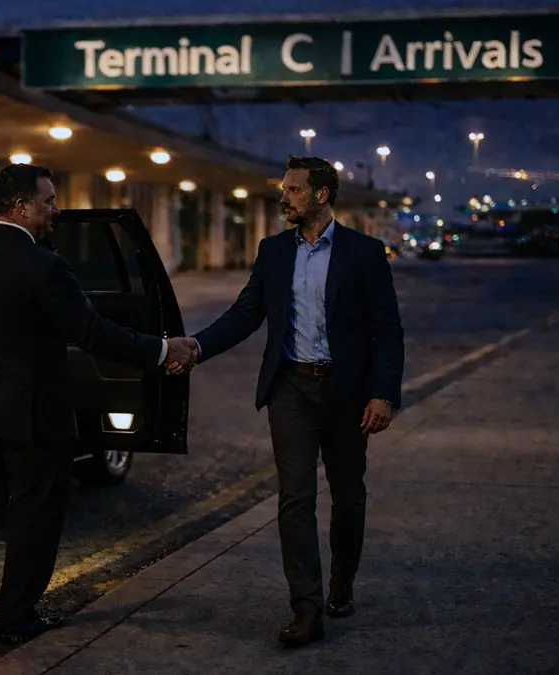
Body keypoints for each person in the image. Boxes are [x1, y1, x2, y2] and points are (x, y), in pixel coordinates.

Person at [0, 163, 197, 644]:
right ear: (22, 207)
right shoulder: (44, 265)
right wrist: (162, 351)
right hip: (33, 416)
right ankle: (16, 614)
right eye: (49, 201)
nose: (56, 209)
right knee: (35, 512)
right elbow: (92, 333)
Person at [181, 156, 404, 647]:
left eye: (294, 190)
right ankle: (306, 608)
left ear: (321, 195)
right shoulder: (274, 250)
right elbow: (245, 314)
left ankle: (342, 581)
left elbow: (387, 330)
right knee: (295, 497)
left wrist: (383, 394)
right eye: (284, 189)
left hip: (345, 391)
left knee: (348, 494)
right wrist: (196, 347)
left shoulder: (364, 253)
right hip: (291, 388)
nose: (284, 197)